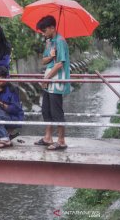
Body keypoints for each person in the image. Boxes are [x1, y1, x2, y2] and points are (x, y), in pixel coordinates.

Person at [33, 15, 70, 150]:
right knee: (46, 109)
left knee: (56, 111)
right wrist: (51, 55)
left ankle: (61, 140)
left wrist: (47, 78)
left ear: (52, 28)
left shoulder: (60, 41)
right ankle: (48, 137)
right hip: (49, 79)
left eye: (44, 30)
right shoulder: (51, 42)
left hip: (56, 80)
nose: (43, 33)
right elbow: (43, 60)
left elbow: (60, 64)